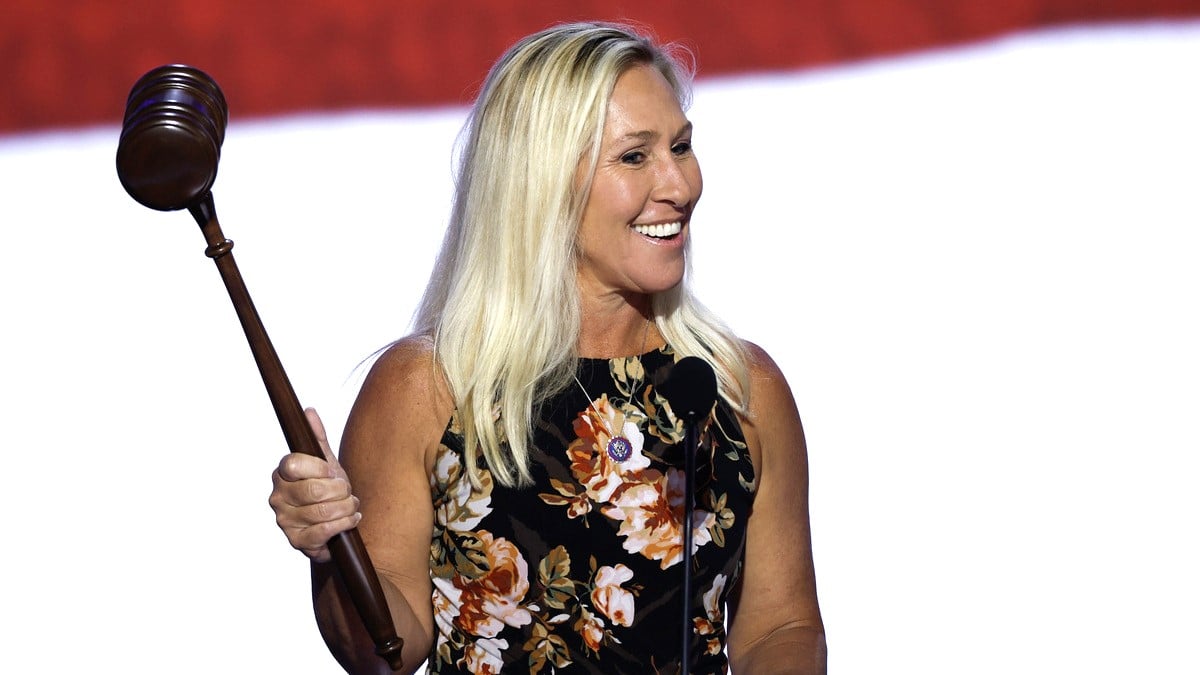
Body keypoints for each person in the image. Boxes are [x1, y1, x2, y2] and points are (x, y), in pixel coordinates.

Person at [269, 21, 825, 675]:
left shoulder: (740, 387)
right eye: (635, 156)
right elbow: (384, 650)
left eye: (681, 146)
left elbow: (781, 625)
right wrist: (334, 551)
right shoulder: (426, 387)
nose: (681, 183)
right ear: (540, 181)